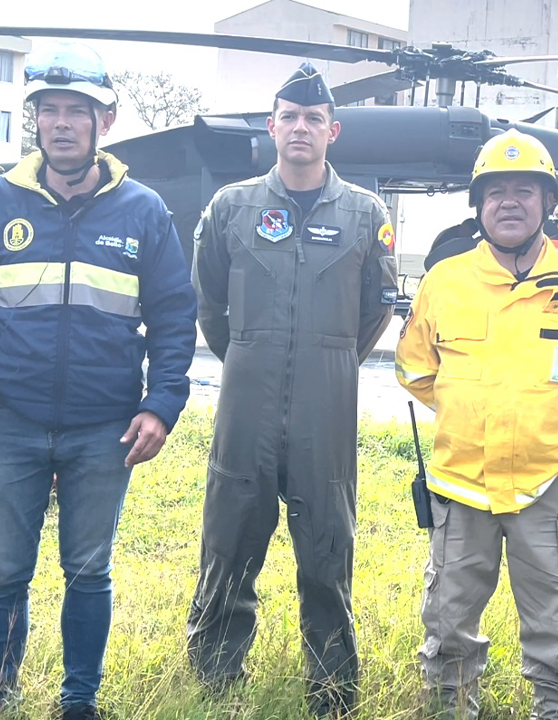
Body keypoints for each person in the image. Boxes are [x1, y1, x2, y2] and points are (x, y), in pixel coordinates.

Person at [0, 41, 197, 719]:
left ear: (105, 122)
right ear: (36, 121)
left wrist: (162, 404)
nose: (63, 123)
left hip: (105, 426)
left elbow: (174, 316)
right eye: (50, 110)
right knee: (4, 574)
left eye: (79, 110)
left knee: (88, 571)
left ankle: (79, 703)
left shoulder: (143, 210)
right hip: (7, 421)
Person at [395, 129, 558, 720]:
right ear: (477, 204)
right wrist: (472, 410)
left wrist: (546, 425)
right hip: (459, 487)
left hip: (550, 488)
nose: (509, 202)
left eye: (524, 190)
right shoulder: (443, 283)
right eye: (495, 191)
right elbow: (417, 372)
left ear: (547, 203)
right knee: (448, 629)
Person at [185, 62, 399, 716]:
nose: (300, 127)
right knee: (229, 542)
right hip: (244, 405)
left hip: (324, 410)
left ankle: (331, 690)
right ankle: (216, 681)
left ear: (331, 131)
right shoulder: (231, 208)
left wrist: (327, 360)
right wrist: (249, 355)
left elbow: (377, 307)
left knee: (328, 549)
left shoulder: (367, 214)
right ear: (272, 126)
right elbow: (209, 301)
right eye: (289, 116)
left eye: (313, 118)